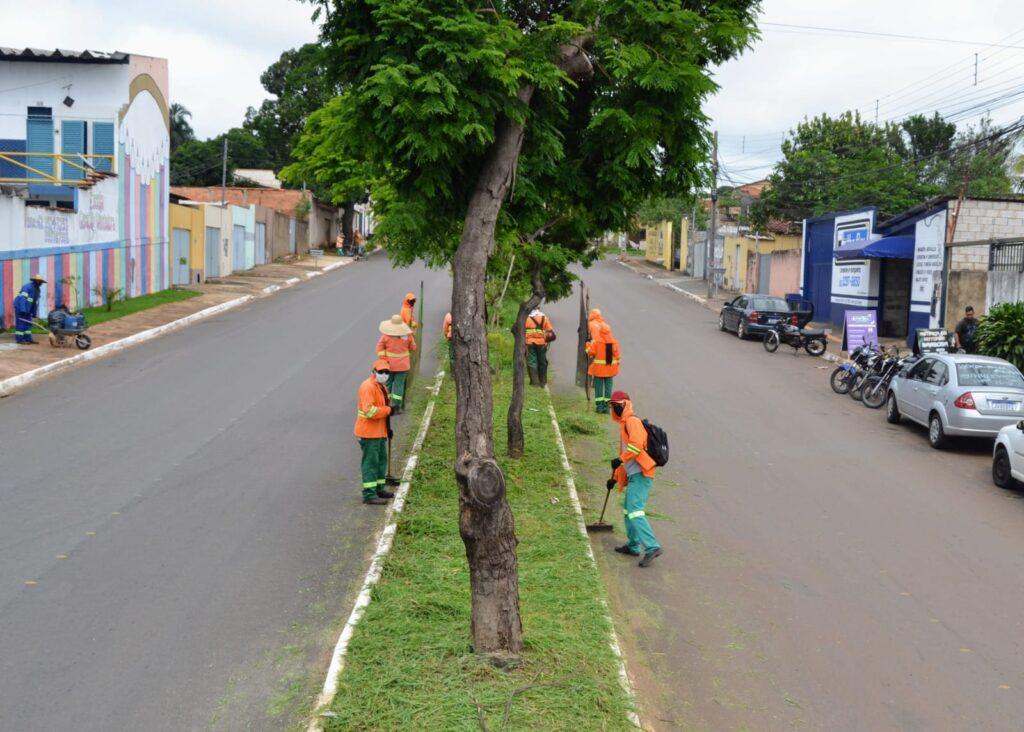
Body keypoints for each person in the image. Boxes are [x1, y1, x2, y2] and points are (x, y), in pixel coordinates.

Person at [607, 390, 662, 567]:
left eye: (616, 405)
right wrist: (615, 478)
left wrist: (621, 459)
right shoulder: (624, 425)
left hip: (642, 473)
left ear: (624, 405)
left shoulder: (632, 421)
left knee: (635, 510)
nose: (614, 408)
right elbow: (625, 455)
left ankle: (652, 547)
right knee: (627, 510)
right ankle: (633, 545)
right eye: (612, 406)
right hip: (633, 474)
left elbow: (636, 446)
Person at [354, 359, 395, 505]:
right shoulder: (368, 387)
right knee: (371, 464)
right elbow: (369, 411)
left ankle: (379, 489)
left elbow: (382, 413)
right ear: (374, 372)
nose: (384, 374)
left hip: (379, 432)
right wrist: (388, 410)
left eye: (387, 372)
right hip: (368, 433)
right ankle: (369, 495)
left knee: (381, 462)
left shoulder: (381, 386)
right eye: (381, 372)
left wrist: (387, 429)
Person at [376, 314, 416, 414]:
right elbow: (413, 348)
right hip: (403, 366)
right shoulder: (407, 336)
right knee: (399, 386)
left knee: (387, 384)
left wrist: (384, 358)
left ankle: (386, 404)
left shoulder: (386, 337)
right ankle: (396, 406)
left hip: (388, 365)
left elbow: (379, 348)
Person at [586, 321, 620, 414]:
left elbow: (590, 353)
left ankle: (599, 408)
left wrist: (587, 345)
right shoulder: (614, 341)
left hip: (599, 370)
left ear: (600, 331)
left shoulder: (597, 341)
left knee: (598, 389)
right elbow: (617, 356)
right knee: (608, 389)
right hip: (610, 370)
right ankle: (607, 408)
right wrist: (617, 366)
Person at [525, 307, 554, 387]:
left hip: (529, 343)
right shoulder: (543, 317)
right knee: (542, 361)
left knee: (532, 361)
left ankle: (535, 383)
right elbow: (550, 331)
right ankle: (543, 382)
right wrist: (547, 341)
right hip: (541, 343)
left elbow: (522, 331)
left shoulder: (526, 317)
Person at [13, 273, 46, 344]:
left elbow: (35, 302)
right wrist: (22, 309)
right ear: (35, 281)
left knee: (28, 323)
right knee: (21, 323)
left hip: (28, 308)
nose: (41, 283)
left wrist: (34, 313)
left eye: (41, 282)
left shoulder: (37, 290)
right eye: (39, 281)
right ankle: (20, 340)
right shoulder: (27, 287)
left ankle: (28, 338)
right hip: (20, 307)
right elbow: (22, 298)